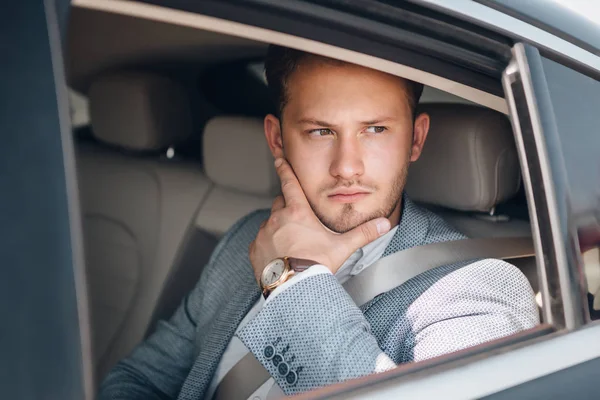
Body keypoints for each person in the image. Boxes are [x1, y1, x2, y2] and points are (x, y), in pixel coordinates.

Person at [98, 45, 539, 399]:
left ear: (416, 139)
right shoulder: (247, 238)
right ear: (276, 138)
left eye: (375, 130)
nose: (347, 166)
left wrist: (287, 282)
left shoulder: (475, 288)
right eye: (320, 131)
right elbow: (139, 379)